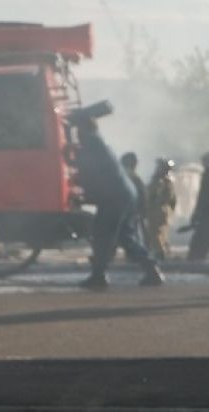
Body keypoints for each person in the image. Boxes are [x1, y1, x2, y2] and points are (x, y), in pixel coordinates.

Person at [67, 105, 165, 290]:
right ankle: (152, 270)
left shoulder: (91, 143)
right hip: (122, 195)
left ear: (83, 128)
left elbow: (86, 172)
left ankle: (99, 276)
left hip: (114, 197)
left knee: (102, 234)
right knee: (125, 238)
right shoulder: (96, 142)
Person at [117, 152, 153, 267]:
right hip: (133, 211)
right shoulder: (133, 177)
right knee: (133, 235)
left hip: (130, 211)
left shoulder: (128, 177)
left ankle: (141, 259)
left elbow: (141, 196)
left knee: (131, 236)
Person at [145, 158, 177, 261]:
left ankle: (159, 254)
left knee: (154, 233)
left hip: (156, 210)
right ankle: (160, 251)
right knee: (160, 233)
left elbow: (151, 196)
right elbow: (173, 200)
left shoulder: (159, 181)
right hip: (163, 210)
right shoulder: (169, 181)